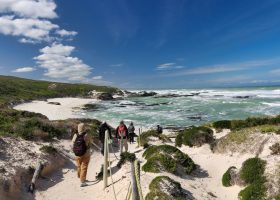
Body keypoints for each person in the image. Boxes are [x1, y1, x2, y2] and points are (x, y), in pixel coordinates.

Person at [72, 123, 92, 187]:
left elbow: (72, 143)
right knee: (84, 167)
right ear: (84, 128)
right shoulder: (86, 135)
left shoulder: (75, 135)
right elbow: (90, 142)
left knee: (79, 166)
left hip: (77, 154)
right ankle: (82, 181)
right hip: (86, 153)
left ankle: (79, 176)